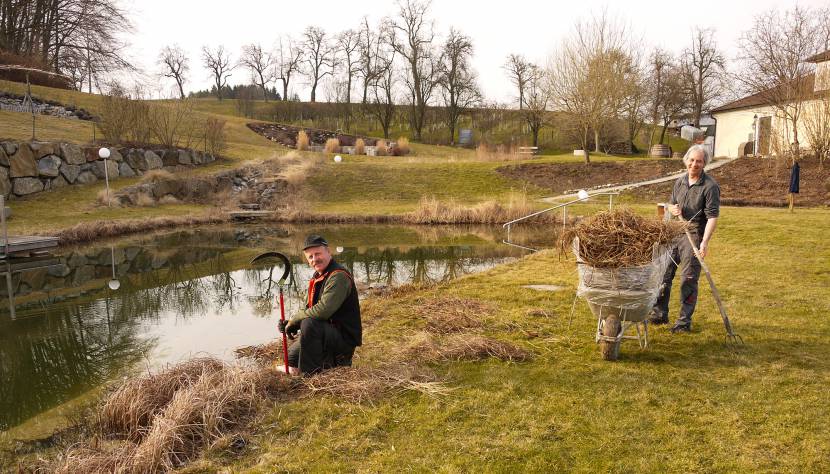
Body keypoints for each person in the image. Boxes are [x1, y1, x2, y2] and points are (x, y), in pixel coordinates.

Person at [650, 144, 720, 333]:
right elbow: (671, 204)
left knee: (688, 279)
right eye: (692, 160)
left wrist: (704, 243)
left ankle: (683, 322)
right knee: (663, 273)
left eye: (699, 161)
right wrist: (671, 208)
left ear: (704, 163)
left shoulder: (710, 186)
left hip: (694, 235)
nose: (694, 164)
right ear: (686, 161)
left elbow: (712, 217)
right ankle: (659, 313)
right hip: (675, 232)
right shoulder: (680, 181)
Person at [277, 235, 362, 375]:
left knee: (309, 324)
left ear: (328, 252)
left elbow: (323, 311)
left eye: (318, 254)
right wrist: (290, 323)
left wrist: (296, 319)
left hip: (343, 339)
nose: (314, 259)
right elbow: (307, 308)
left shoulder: (338, 276)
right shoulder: (317, 277)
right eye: (310, 257)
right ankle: (324, 365)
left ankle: (311, 375)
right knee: (291, 359)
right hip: (325, 332)